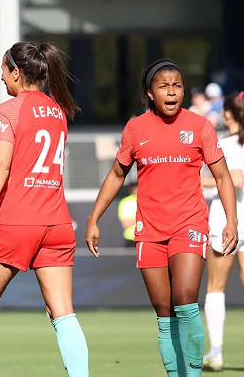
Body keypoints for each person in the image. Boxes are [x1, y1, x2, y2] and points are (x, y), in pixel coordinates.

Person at [0, 42, 89, 377]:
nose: (1, 77)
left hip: (16, 222)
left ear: (17, 72)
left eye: (4, 70)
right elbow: (24, 156)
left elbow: (4, 166)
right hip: (57, 224)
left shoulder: (7, 110)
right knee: (62, 312)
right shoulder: (57, 111)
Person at [85, 59, 239, 377]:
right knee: (164, 312)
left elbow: (223, 177)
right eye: (164, 86)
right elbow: (116, 174)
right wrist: (93, 218)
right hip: (149, 231)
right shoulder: (136, 129)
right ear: (150, 93)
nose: (172, 92)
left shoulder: (200, 127)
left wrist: (231, 221)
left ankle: (193, 374)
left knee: (184, 299)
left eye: (177, 85)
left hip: (190, 224)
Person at [201, 91, 244, 372]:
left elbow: (236, 179)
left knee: (215, 288)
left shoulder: (226, 144)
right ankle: (214, 352)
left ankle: (215, 353)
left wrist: (199, 180)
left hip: (227, 220)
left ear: (227, 114)